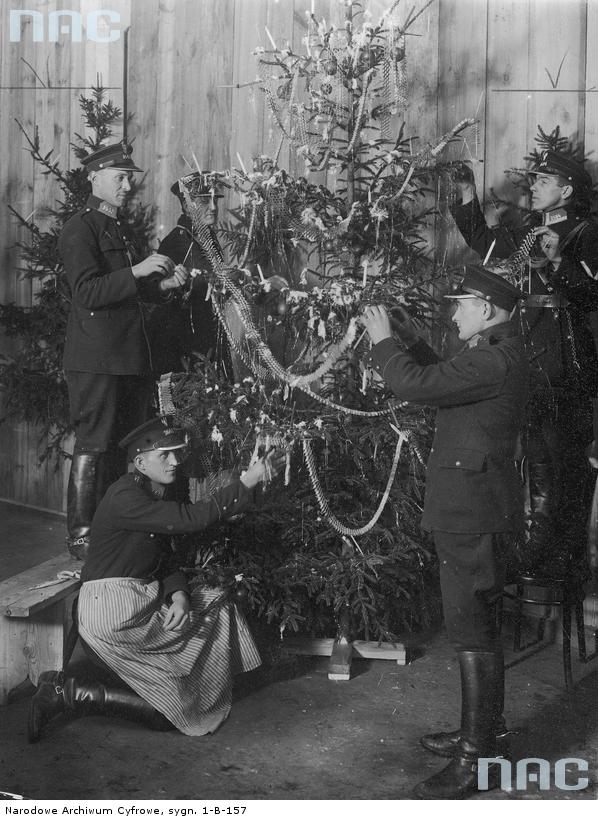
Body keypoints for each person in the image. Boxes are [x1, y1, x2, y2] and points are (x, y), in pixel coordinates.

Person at [361, 265, 528, 799]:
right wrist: (408, 339)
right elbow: (447, 385)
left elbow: (415, 385)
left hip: (471, 511)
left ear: (485, 308)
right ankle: (485, 735)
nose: (453, 313)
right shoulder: (495, 353)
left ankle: (479, 756)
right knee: (474, 623)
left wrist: (385, 342)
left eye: (460, 305)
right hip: (475, 504)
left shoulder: (492, 358)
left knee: (472, 629)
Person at [28, 416, 286, 742]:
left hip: (137, 602)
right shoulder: (125, 496)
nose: (175, 461)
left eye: (177, 453)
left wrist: (178, 594)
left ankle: (188, 689)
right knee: (168, 716)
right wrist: (247, 481)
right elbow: (189, 519)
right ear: (140, 462)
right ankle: (73, 692)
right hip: (112, 615)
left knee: (219, 600)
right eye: (164, 455)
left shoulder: (152, 494)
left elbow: (163, 557)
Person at [450, 149, 598, 581]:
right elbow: (487, 245)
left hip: (563, 363)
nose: (533, 187)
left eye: (544, 181)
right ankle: (531, 549)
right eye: (533, 181)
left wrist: (558, 262)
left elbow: (593, 298)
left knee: (558, 457)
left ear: (567, 191)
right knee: (532, 452)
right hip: (525, 356)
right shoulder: (530, 231)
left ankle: (550, 554)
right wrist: (465, 196)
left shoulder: (588, 233)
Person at [59, 142, 189, 561]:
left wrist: (161, 285)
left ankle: (114, 524)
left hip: (129, 358)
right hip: (96, 360)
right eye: (119, 176)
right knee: (95, 444)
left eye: (130, 176)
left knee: (125, 447)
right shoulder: (81, 229)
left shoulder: (118, 229)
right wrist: (136, 271)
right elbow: (88, 292)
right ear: (93, 178)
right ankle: (81, 534)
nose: (128, 185)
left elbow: (128, 296)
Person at [148, 171, 226, 377]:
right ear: (185, 206)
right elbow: (156, 294)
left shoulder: (207, 240)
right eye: (204, 201)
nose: (213, 208)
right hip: (183, 345)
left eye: (214, 200)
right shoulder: (176, 242)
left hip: (209, 336)